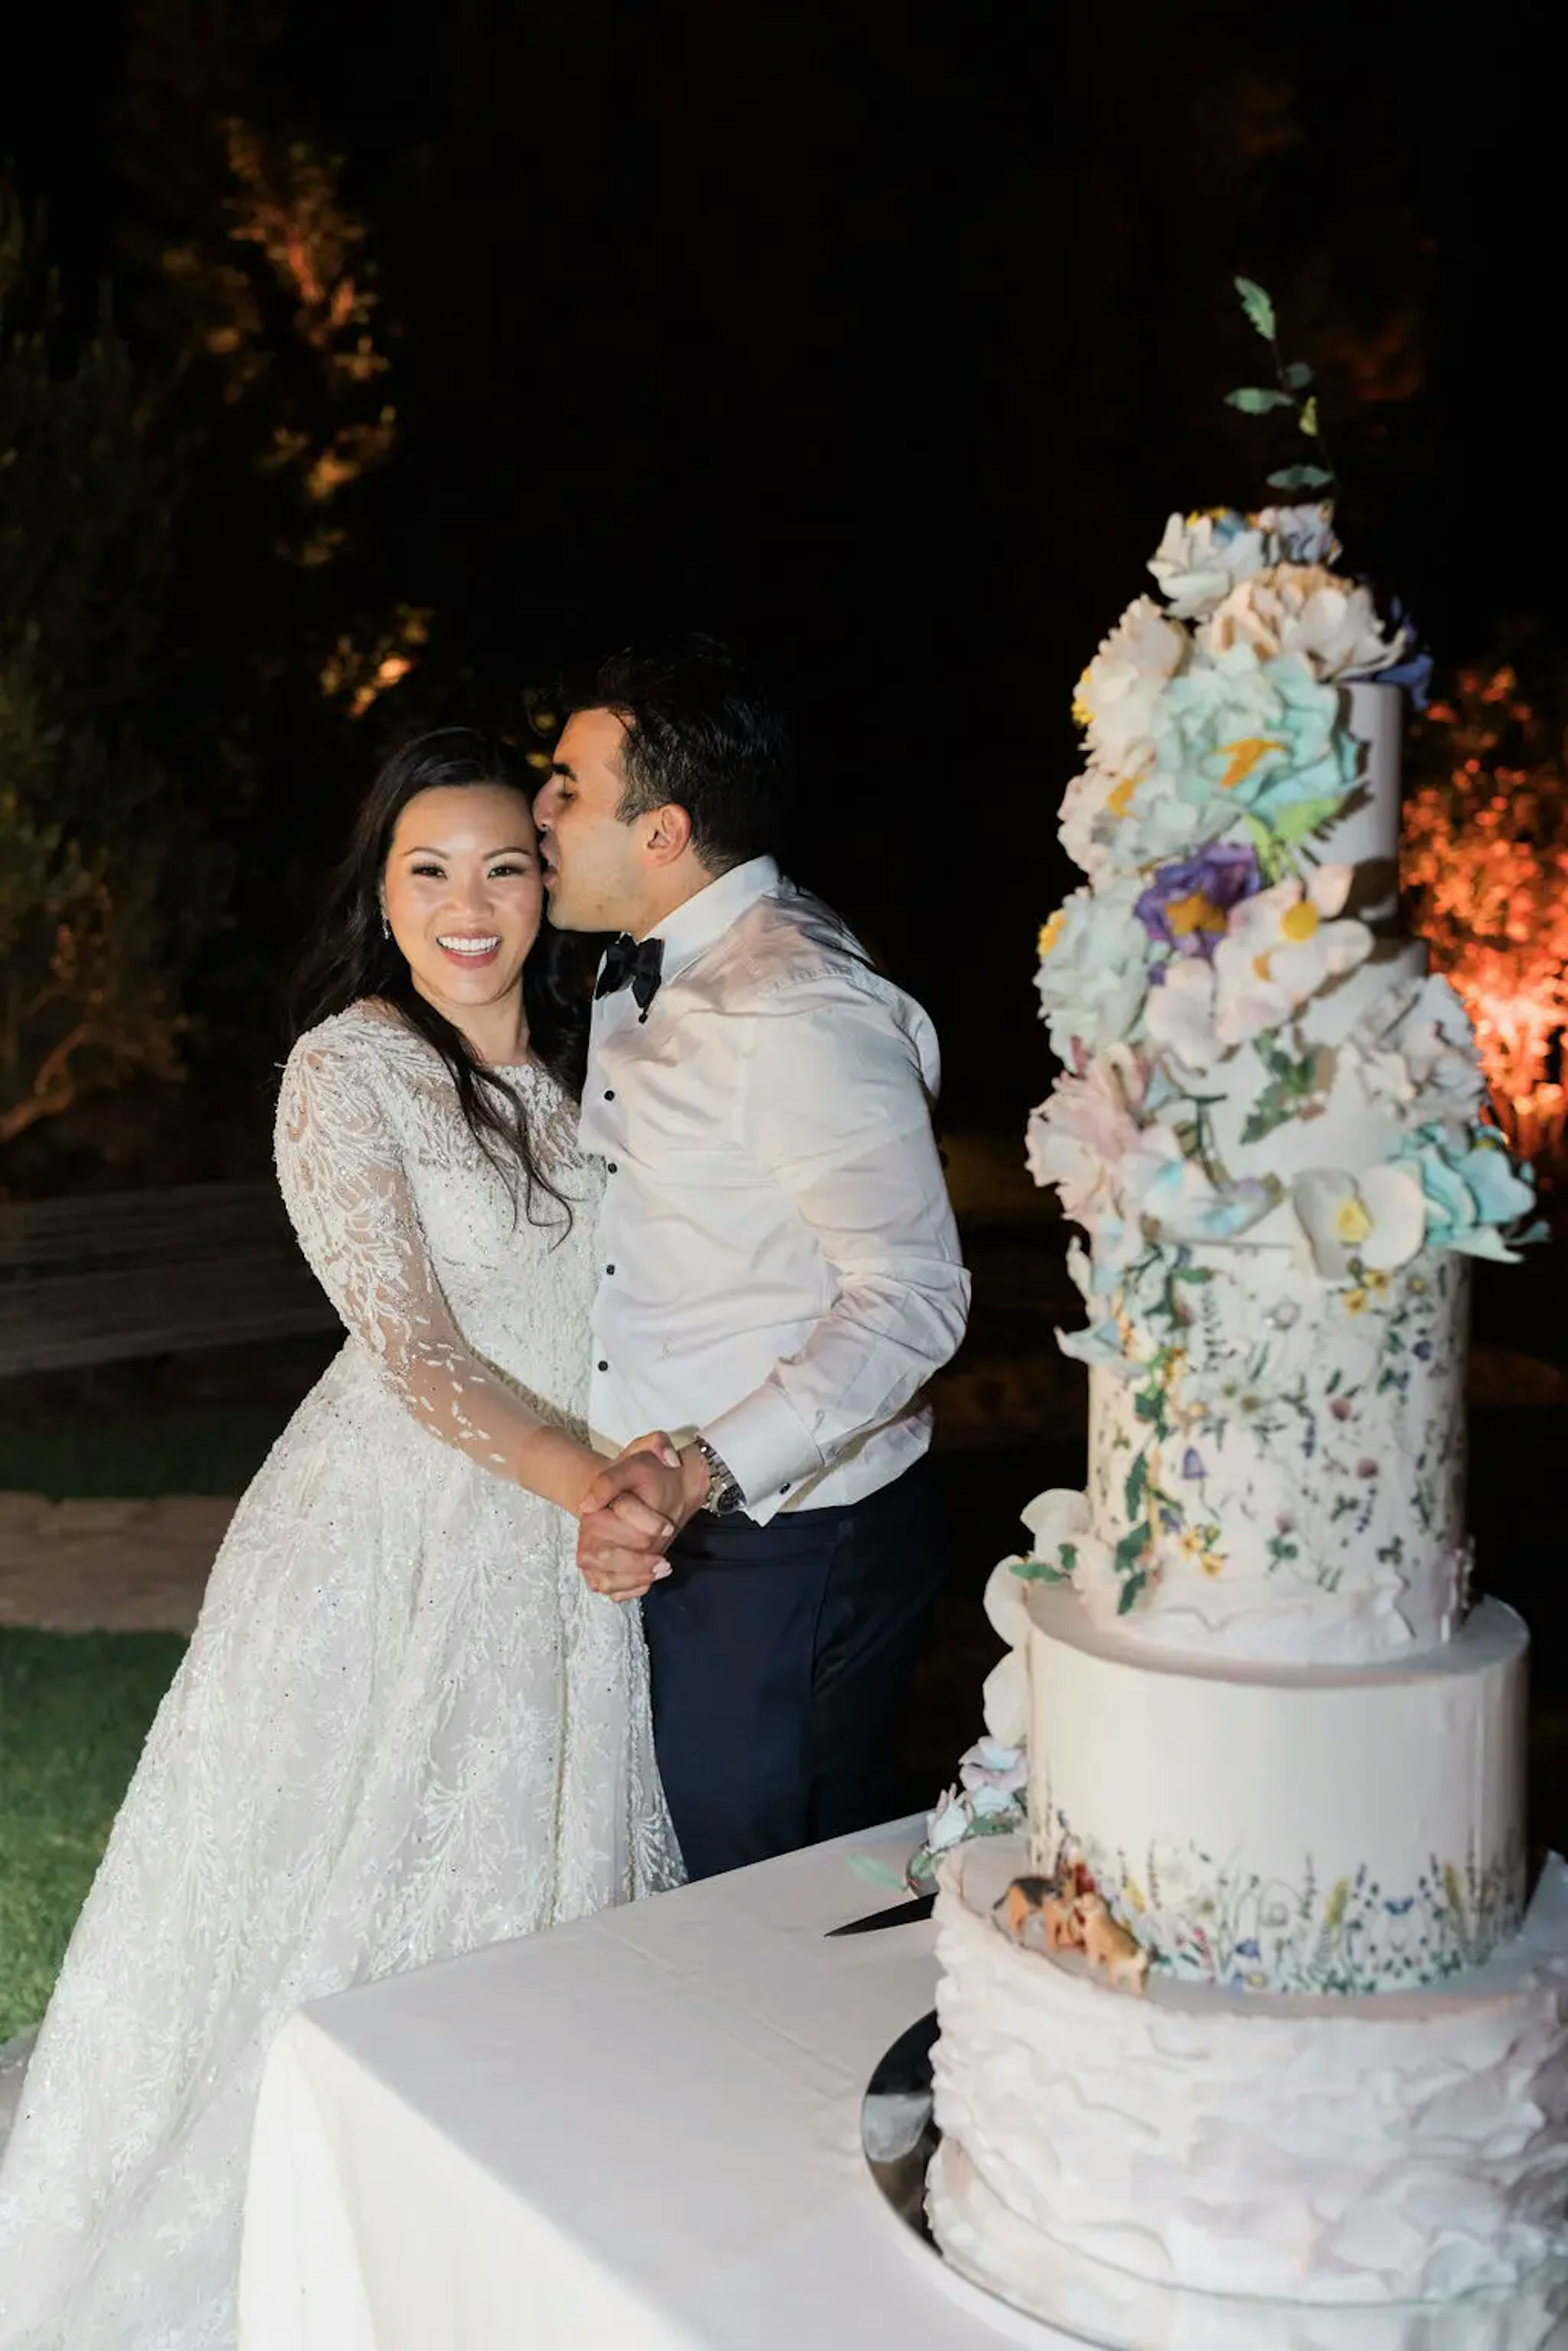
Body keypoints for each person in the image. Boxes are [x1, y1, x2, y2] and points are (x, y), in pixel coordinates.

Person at [0, 729, 682, 2351]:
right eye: (428, 868)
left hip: (562, 1551)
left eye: (506, 864)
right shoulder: (349, 1067)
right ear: (380, 895)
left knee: (524, 1888)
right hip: (393, 1529)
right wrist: (583, 1478)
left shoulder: (606, 1065)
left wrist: (651, 1473)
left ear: (549, 884)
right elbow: (415, 1345)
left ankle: (491, 2224)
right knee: (327, 1881)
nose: (471, 903)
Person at [534, 638, 970, 1882]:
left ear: (664, 832)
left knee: (779, 1901)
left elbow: (914, 1296)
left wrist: (708, 1468)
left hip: (795, 1538)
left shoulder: (797, 1002)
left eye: (570, 786)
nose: (544, 812)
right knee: (702, 1892)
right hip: (667, 1518)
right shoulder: (640, 969)